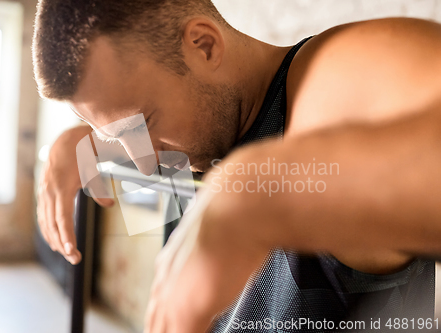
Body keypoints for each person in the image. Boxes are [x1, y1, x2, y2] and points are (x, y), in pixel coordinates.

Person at [32, 0, 441, 332]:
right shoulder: (187, 142)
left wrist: (251, 190)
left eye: (143, 122)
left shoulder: (328, 82)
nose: (142, 159)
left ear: (204, 45)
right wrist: (77, 142)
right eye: (111, 134)